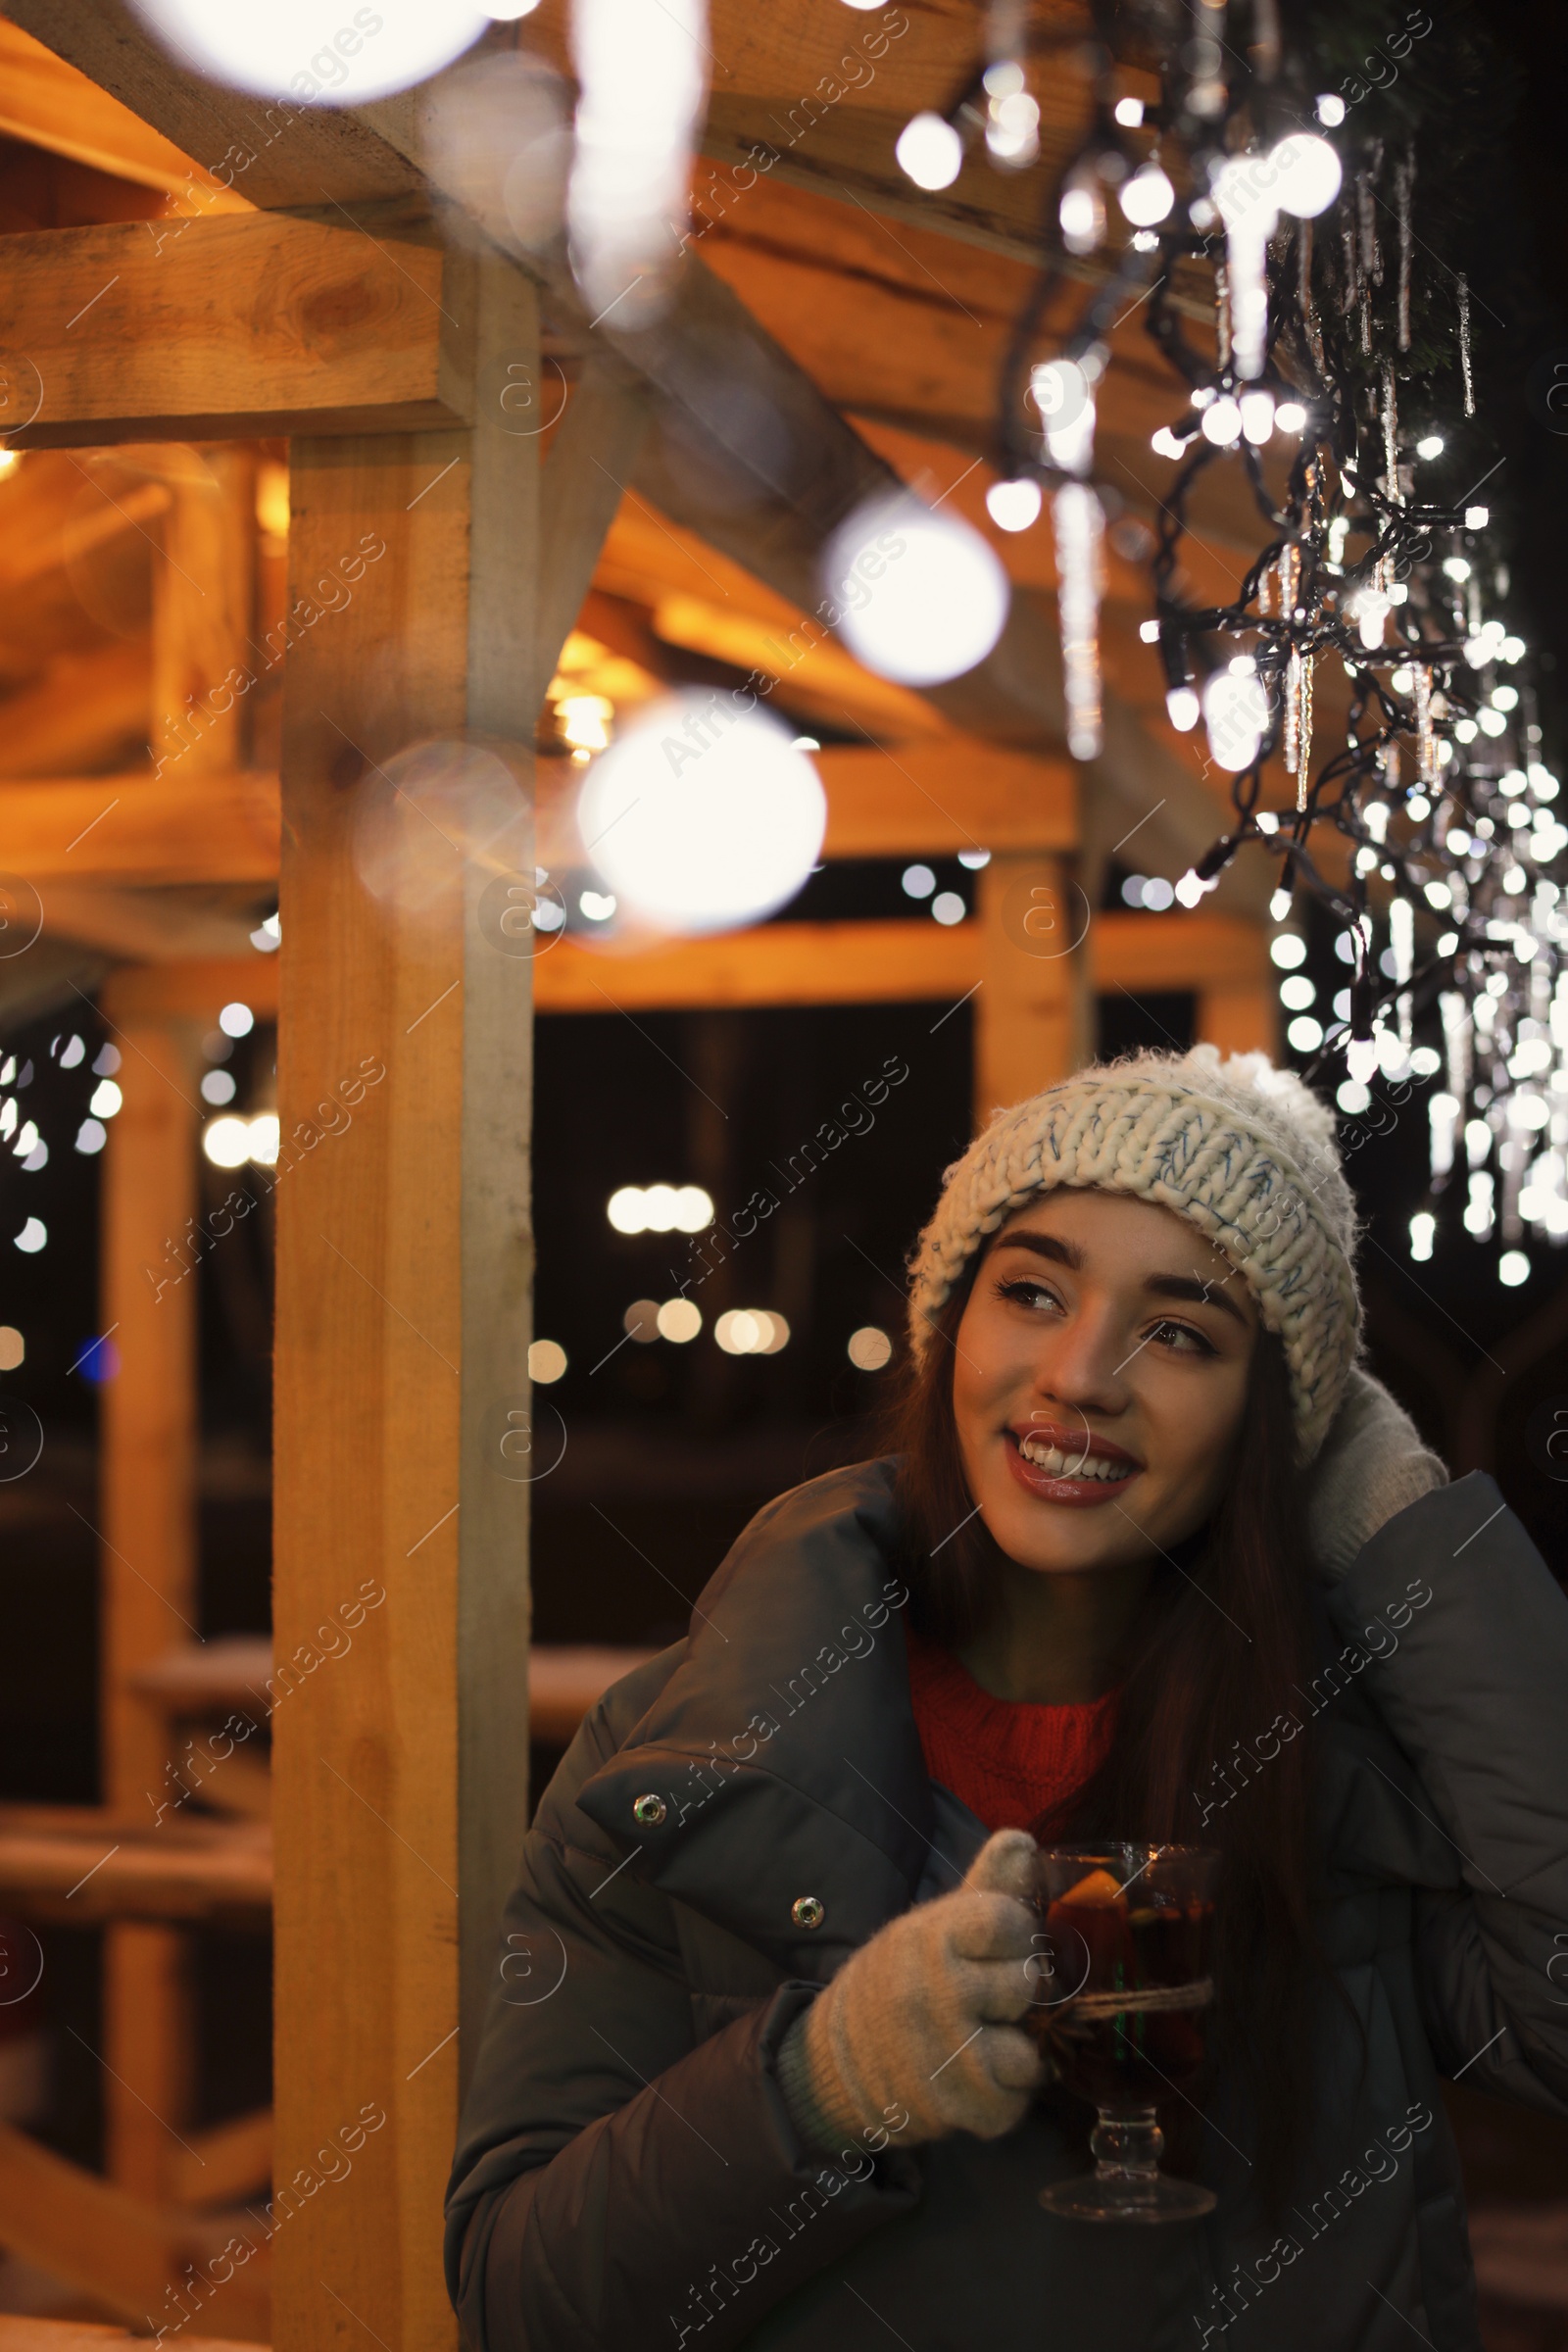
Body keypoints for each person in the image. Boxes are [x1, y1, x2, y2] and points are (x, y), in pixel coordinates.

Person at [445, 1046, 1568, 2351]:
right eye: (1032, 1291)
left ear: (1266, 1423)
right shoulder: (685, 1752)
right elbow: (522, 2301)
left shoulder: (1349, 1758)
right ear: (948, 1328)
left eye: (1180, 1333)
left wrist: (1404, 1526)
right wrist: (814, 2089)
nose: (1082, 1374)